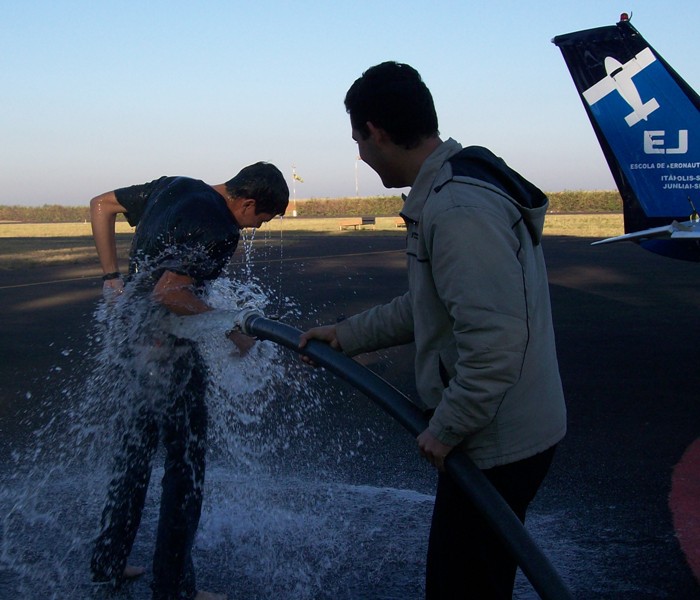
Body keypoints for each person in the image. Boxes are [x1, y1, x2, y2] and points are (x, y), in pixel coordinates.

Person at [299, 62, 566, 599]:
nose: (360, 155)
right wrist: (347, 334)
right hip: (500, 428)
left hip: (496, 439)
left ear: (375, 131)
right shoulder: (449, 189)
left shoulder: (459, 208)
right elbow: (431, 307)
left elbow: (495, 342)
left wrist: (447, 427)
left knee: (461, 587)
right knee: (474, 578)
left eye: (358, 138)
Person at [89, 162, 289, 600]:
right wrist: (231, 326)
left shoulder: (171, 186)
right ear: (248, 203)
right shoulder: (220, 228)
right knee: (185, 468)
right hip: (166, 348)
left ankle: (108, 562)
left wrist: (111, 279)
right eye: (260, 220)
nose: (254, 230)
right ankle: (174, 587)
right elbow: (169, 293)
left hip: (133, 340)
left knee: (134, 456)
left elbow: (100, 206)